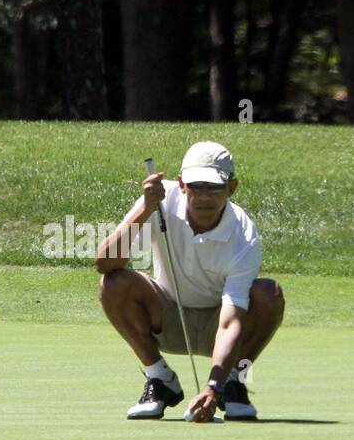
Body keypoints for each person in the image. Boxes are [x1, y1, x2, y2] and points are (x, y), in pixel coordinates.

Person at [96, 141, 285, 421]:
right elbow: (105, 263)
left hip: (218, 327)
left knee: (268, 294)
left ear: (232, 188)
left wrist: (213, 386)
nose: (204, 197)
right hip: (167, 318)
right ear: (182, 183)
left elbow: (230, 321)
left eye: (215, 187)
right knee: (114, 283)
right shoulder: (159, 202)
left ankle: (232, 380)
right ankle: (160, 380)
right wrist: (145, 209)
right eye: (197, 186)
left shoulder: (243, 234)